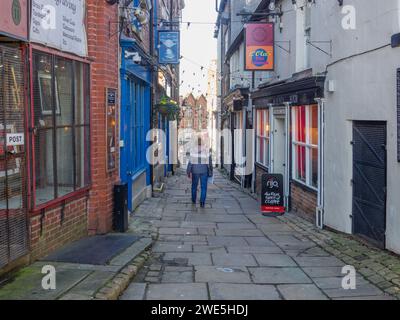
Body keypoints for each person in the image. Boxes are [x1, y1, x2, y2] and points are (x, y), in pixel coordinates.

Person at [187, 137, 213, 208]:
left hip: (195, 171)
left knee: (194, 186)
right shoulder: (206, 150)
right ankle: (202, 202)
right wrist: (211, 171)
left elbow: (190, 162)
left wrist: (188, 171)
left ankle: (193, 200)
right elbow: (210, 162)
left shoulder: (193, 150)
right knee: (204, 187)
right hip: (204, 170)